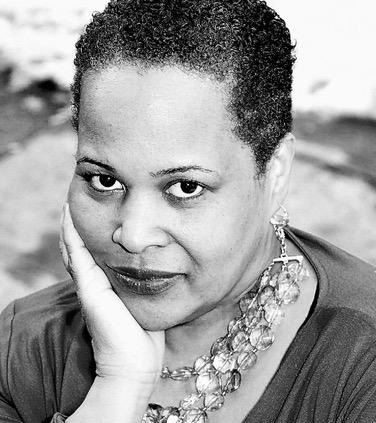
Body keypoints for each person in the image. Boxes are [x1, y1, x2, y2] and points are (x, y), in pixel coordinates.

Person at [1, 1, 376, 422]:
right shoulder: (25, 350)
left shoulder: (361, 363)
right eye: (104, 180)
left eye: (185, 187)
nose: (134, 234)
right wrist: (118, 386)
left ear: (274, 174)